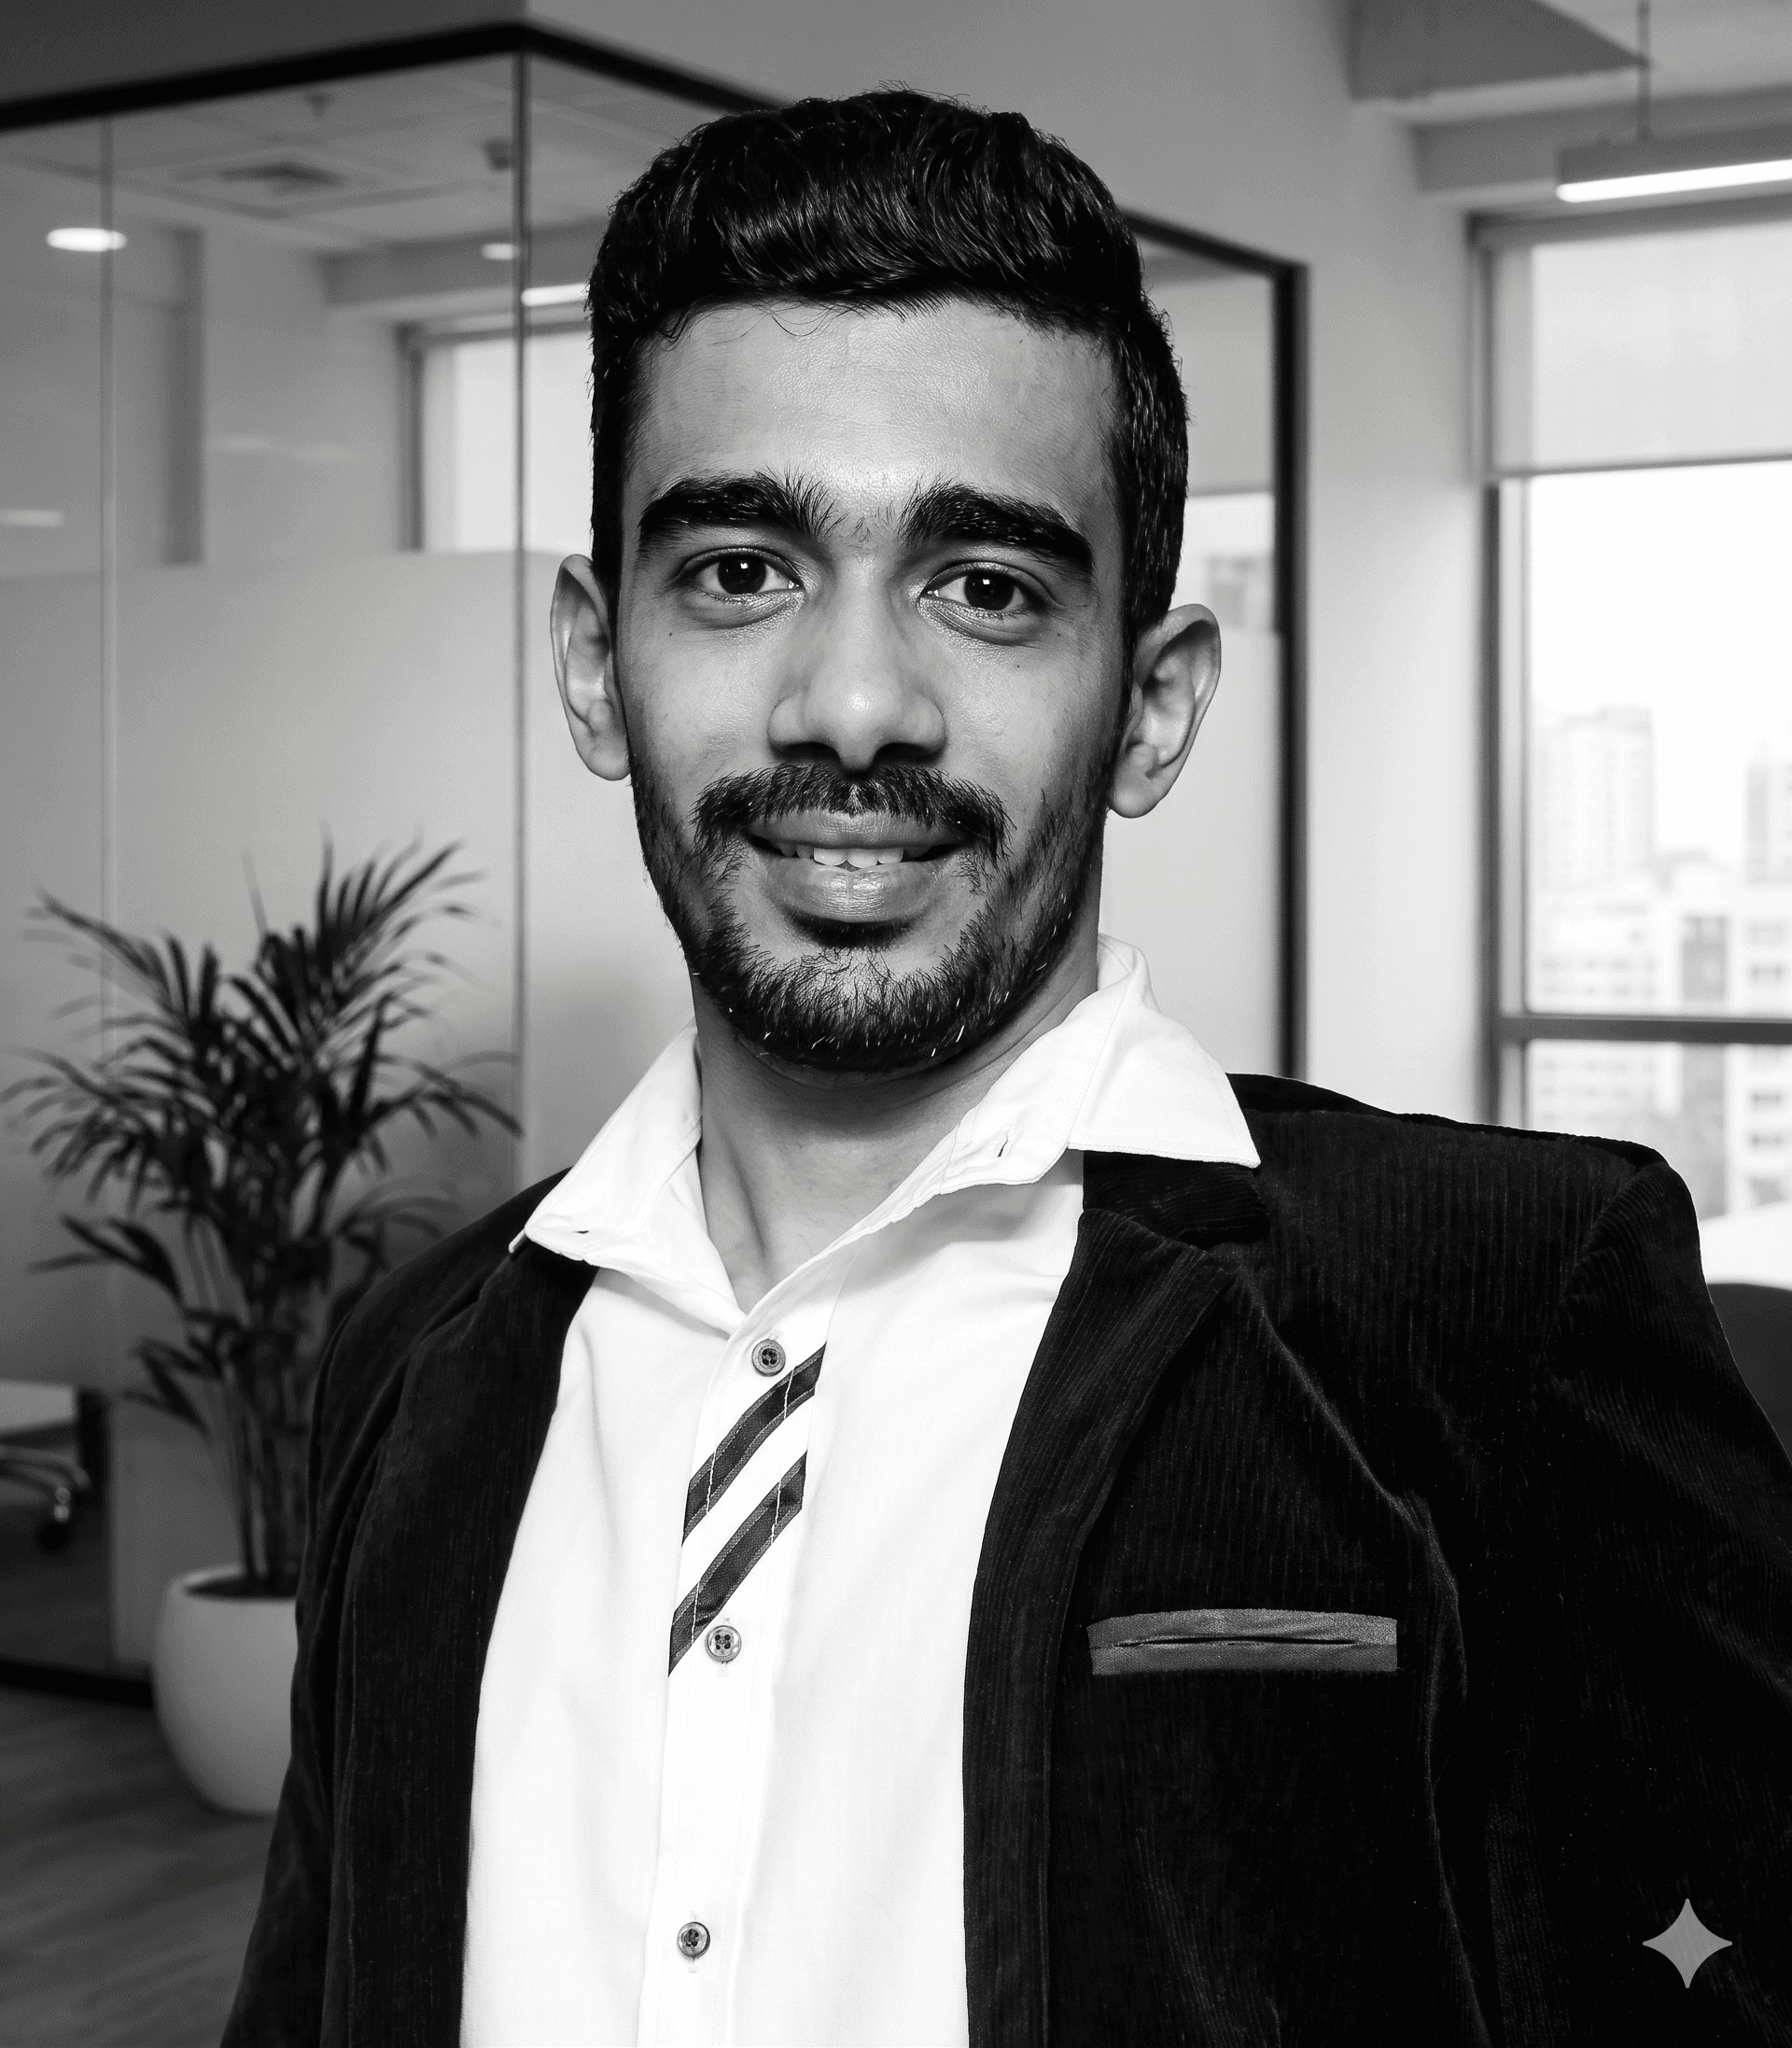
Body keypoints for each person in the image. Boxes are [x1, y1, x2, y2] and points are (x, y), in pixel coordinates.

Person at [226, 89, 1792, 2048]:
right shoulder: (417, 1368)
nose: (853, 704)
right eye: (739, 569)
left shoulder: (1490, 1320)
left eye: (986, 586)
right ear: (593, 660)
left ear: (1152, 705)